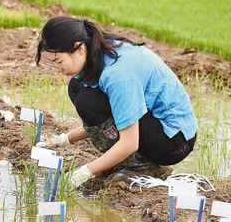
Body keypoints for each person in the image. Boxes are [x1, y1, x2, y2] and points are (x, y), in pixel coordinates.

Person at [35, 16, 197, 188]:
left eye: (59, 61)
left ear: (80, 49)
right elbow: (114, 116)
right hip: (153, 125)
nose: (58, 69)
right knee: (77, 87)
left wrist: (86, 171)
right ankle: (126, 161)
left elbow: (129, 141)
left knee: (88, 100)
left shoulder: (118, 76)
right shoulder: (97, 50)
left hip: (173, 142)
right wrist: (65, 139)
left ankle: (143, 167)